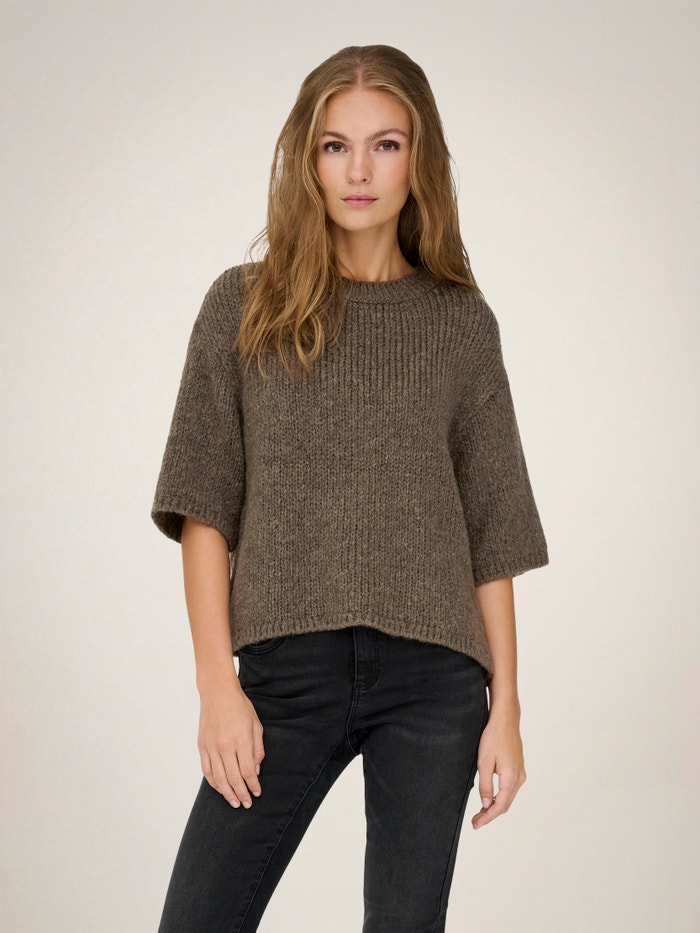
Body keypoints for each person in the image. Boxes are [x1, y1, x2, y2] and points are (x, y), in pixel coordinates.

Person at [151, 44, 548, 933]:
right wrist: (217, 686)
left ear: (419, 158)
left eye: (385, 145)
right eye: (336, 146)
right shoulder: (243, 306)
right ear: (308, 158)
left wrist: (508, 710)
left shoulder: (460, 322)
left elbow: (492, 532)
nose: (359, 171)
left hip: (435, 681)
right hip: (285, 675)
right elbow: (204, 508)